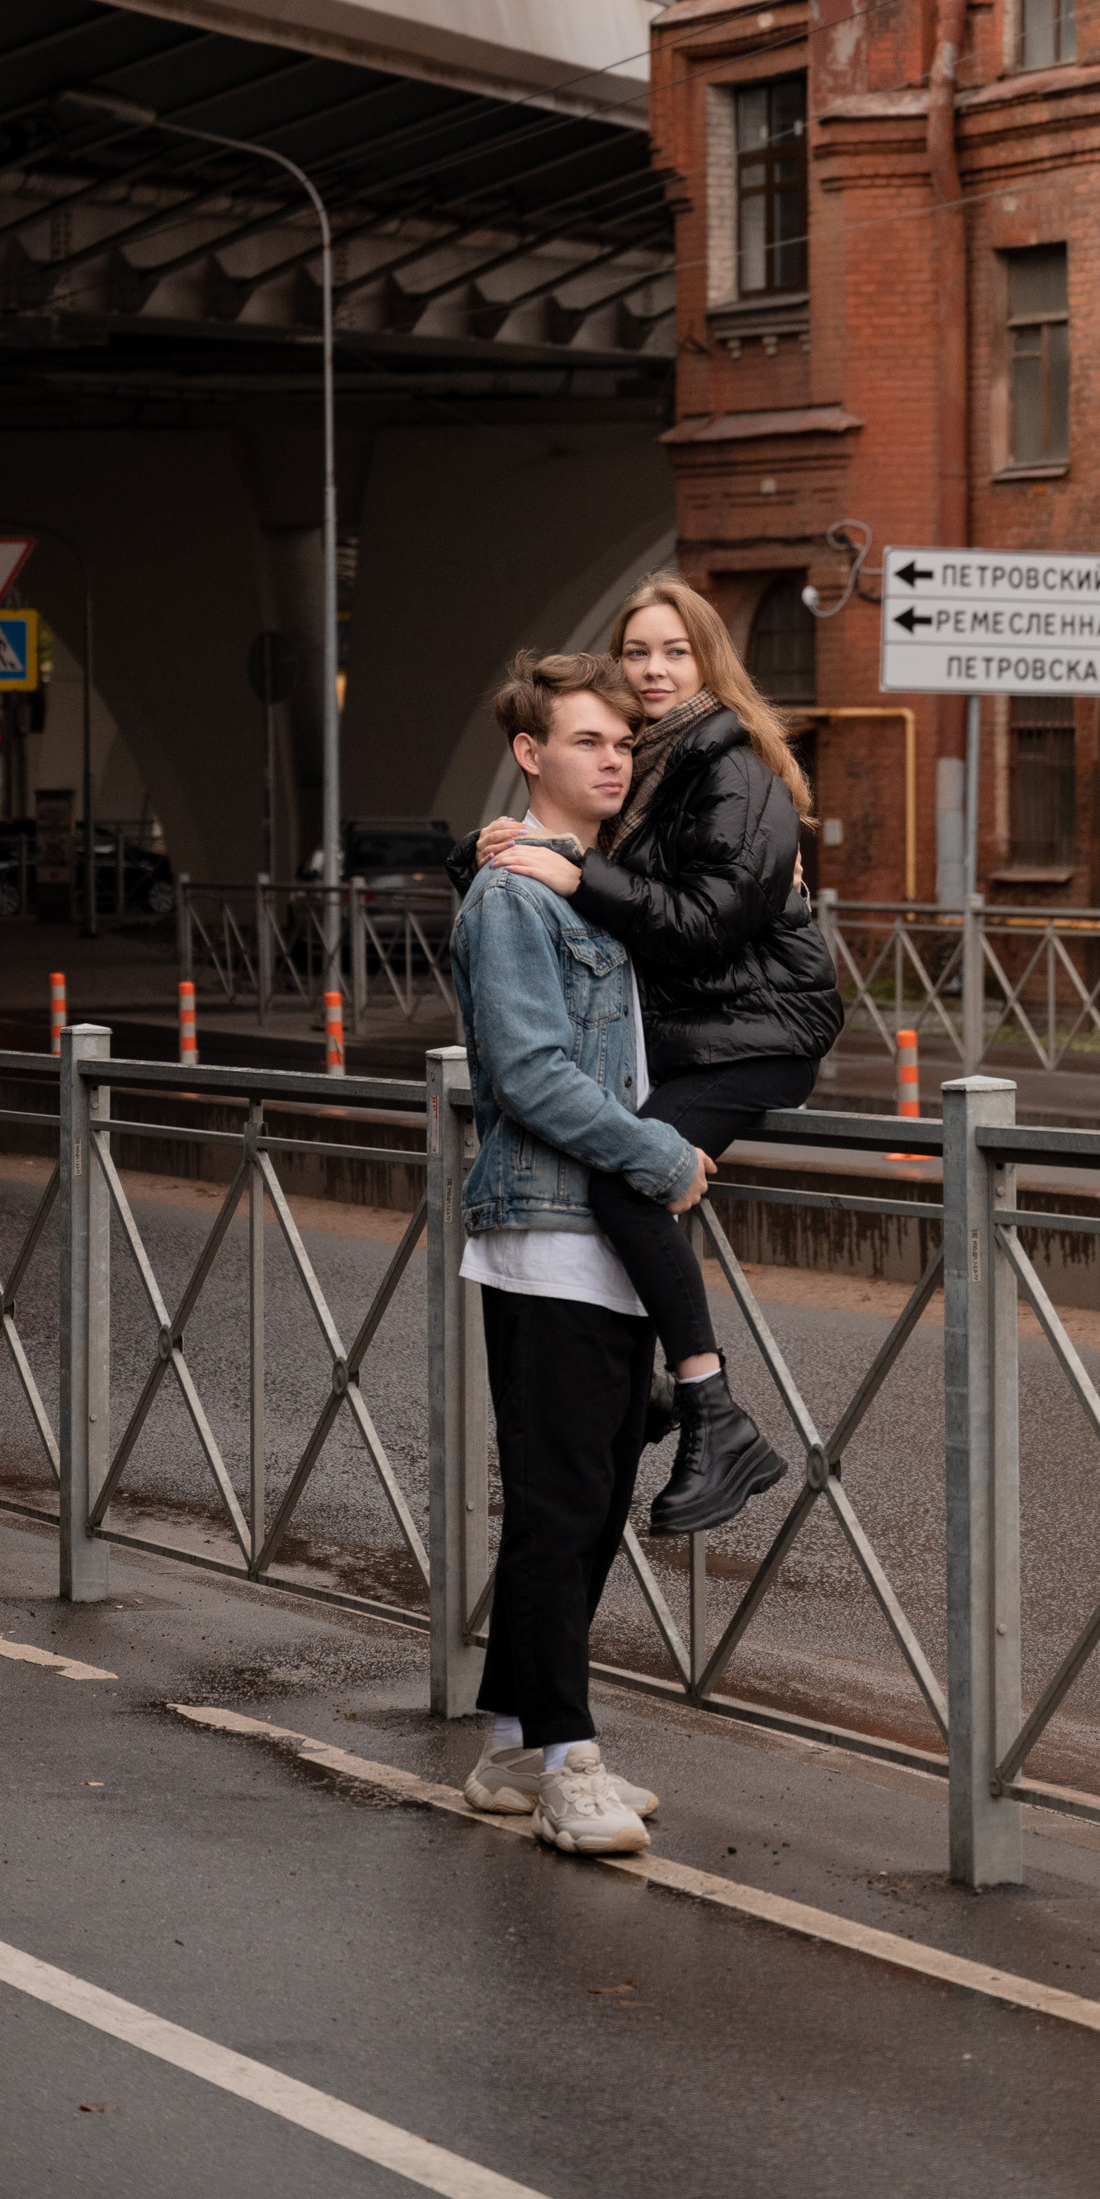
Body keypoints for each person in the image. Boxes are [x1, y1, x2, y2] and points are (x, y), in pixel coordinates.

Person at [475, 572, 843, 1536]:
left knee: (627, 1179)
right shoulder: (649, 766)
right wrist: (491, 851)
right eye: (636, 651)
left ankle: (713, 1413)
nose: (653, 669)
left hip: (760, 1033)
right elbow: (579, 854)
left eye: (675, 651)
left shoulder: (735, 769)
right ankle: (652, 1391)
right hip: (695, 1032)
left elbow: (704, 925)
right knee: (623, 1170)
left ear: (709, 661)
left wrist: (577, 875)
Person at [450, 648, 712, 1858]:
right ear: (529, 752)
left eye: (622, 742)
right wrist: (658, 1155)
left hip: (604, 1237)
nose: (612, 759)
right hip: (550, 1232)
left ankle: (514, 1742)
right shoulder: (513, 897)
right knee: (560, 1507)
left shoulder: (586, 881)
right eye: (585, 741)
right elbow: (528, 1071)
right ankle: (566, 1763)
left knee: (590, 1501)